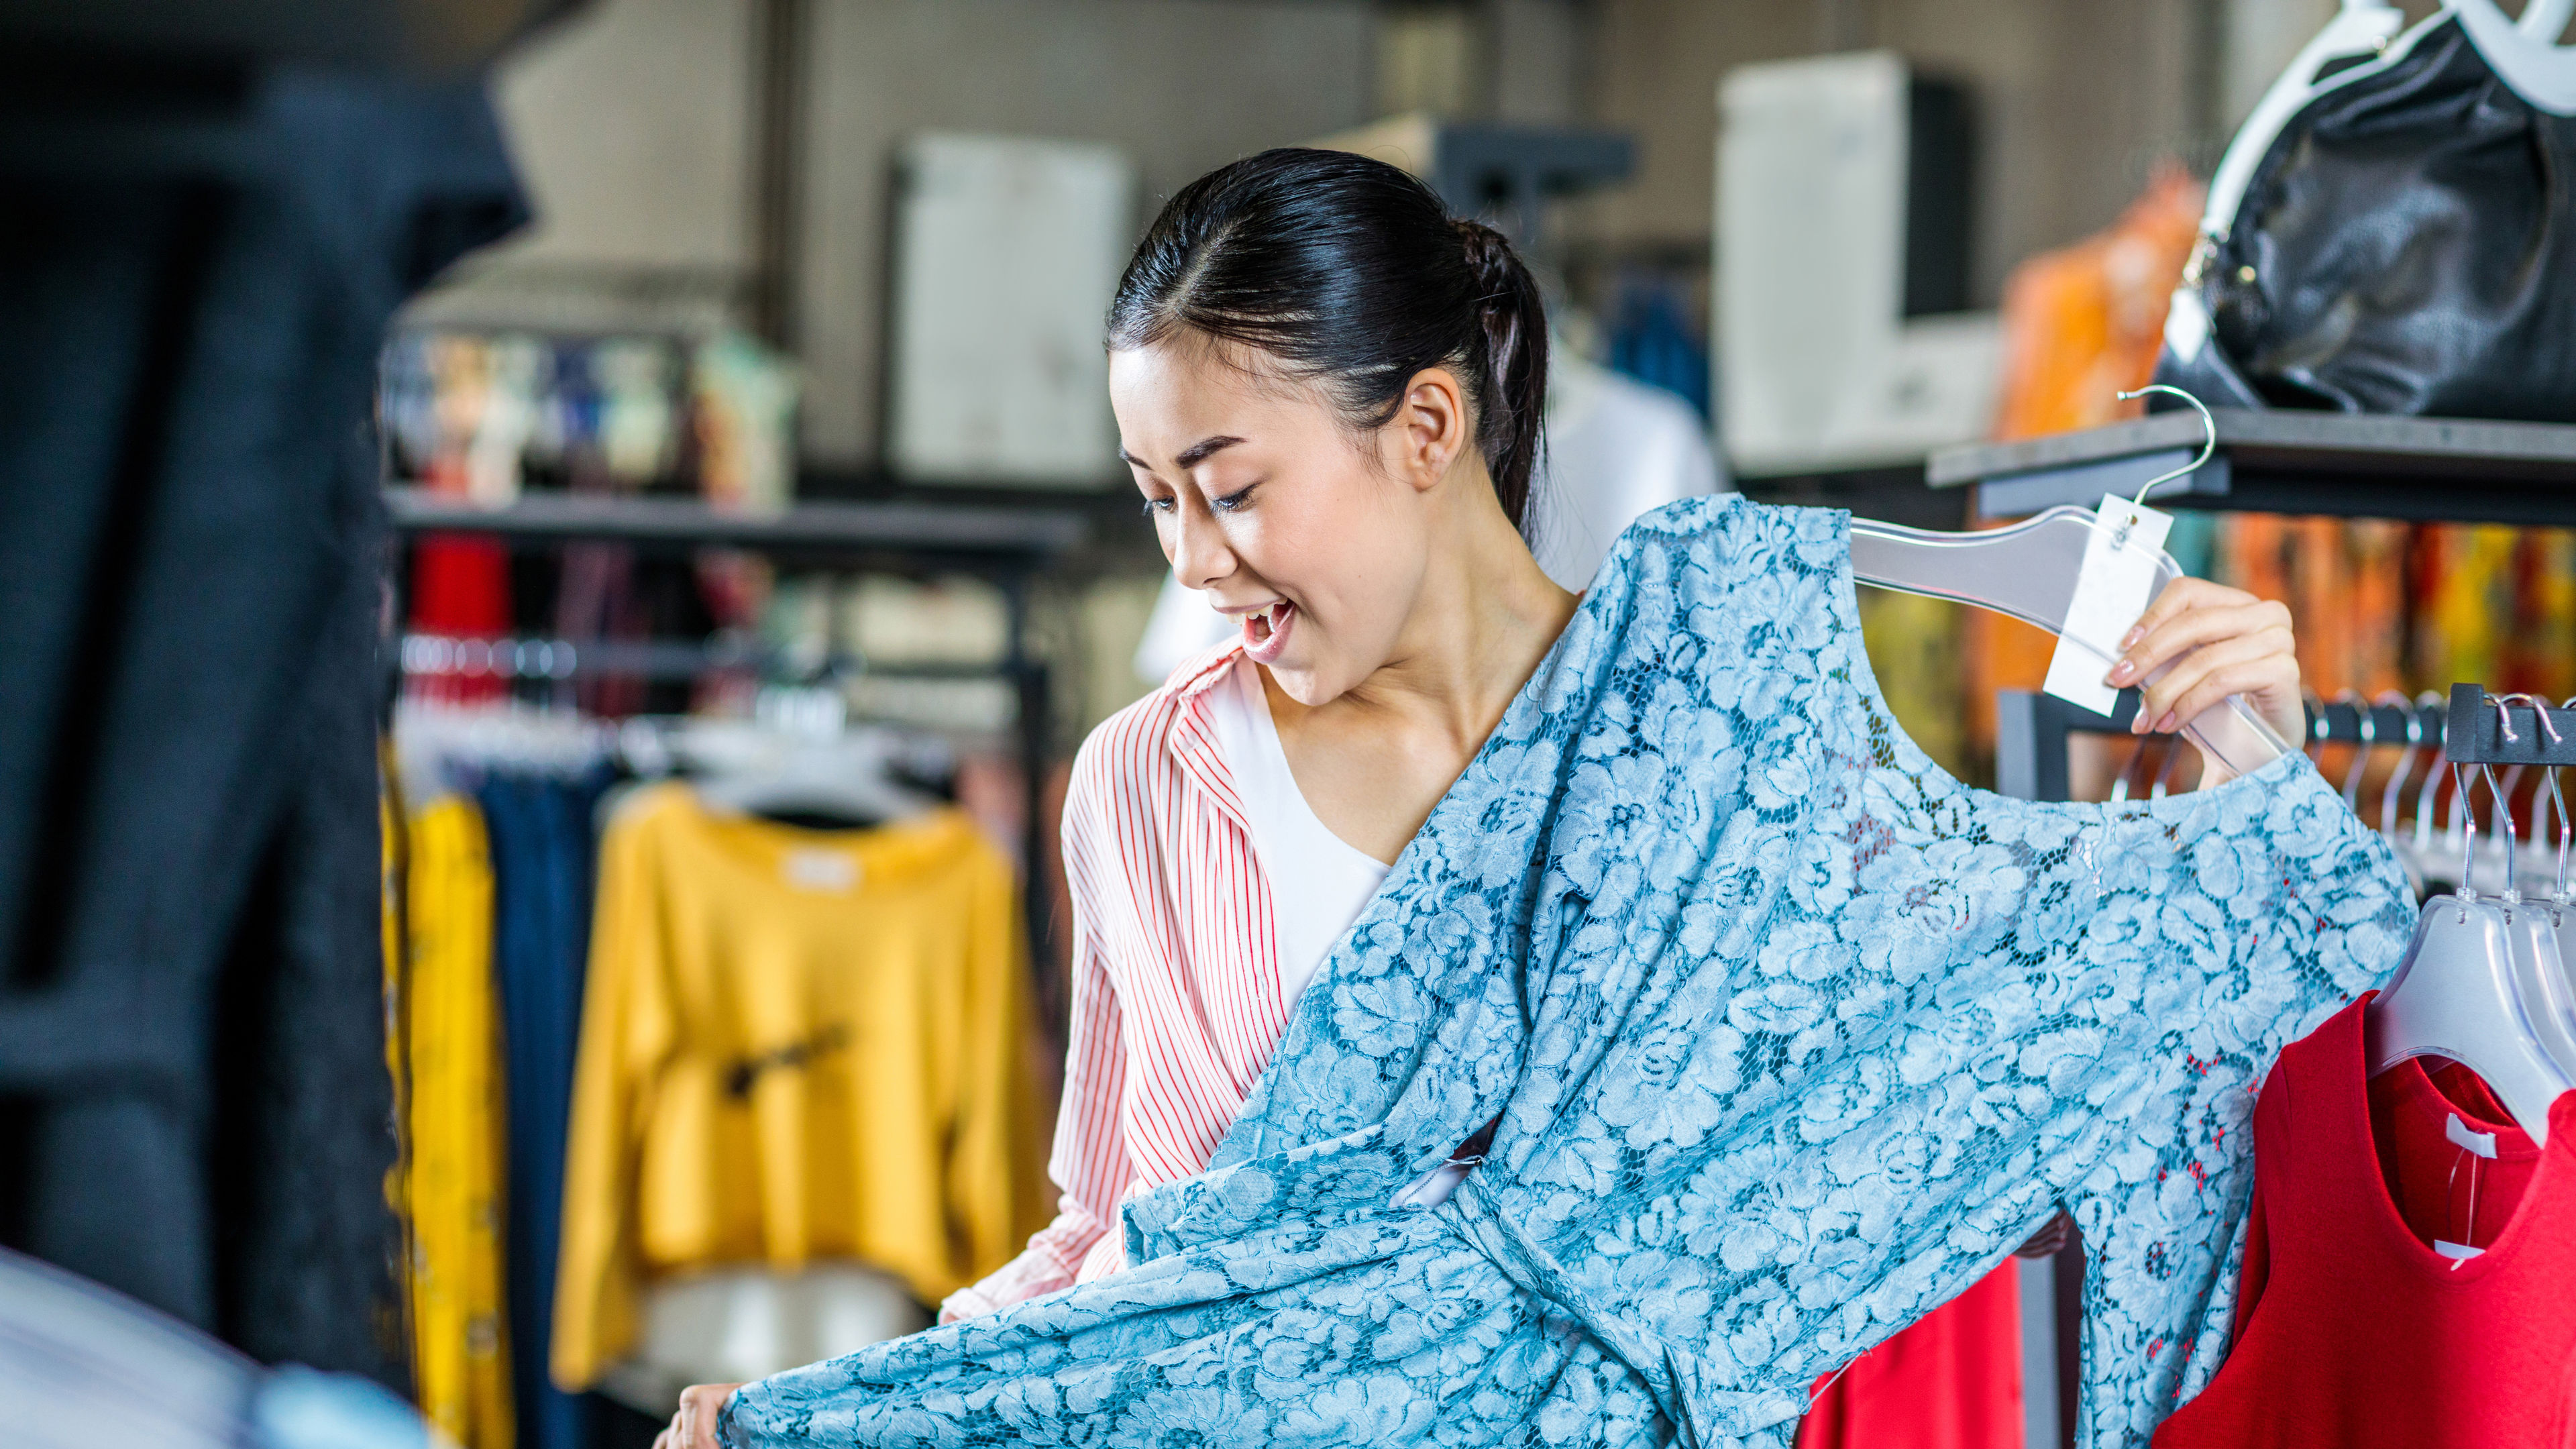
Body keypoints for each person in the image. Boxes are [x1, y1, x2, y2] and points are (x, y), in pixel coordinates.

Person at [653, 147, 2304, 1449]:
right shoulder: (1154, 784)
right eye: (1156, 498)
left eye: (1231, 490)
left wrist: (2256, 779)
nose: (1190, 560)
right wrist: (847, 1415)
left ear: (1426, 423)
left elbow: (1991, 1074)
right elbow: (1120, 1249)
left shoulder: (1721, 723)